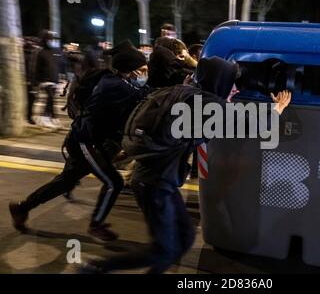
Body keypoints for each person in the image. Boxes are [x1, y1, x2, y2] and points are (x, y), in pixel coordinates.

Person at [80, 56, 292, 273]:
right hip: (154, 185)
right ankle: (96, 268)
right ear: (219, 82)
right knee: (163, 251)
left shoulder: (185, 93)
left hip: (159, 181)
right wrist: (278, 108)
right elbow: (252, 124)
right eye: (232, 85)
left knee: (186, 237)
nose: (235, 90)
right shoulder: (205, 105)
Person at [9, 40, 151, 241]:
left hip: (85, 139)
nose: (144, 73)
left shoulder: (116, 81)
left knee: (65, 182)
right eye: (142, 69)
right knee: (114, 182)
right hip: (86, 142)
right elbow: (145, 97)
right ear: (131, 69)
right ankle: (96, 224)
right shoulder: (115, 85)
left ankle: (22, 208)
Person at [34, 30, 64, 129]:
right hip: (45, 80)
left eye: (52, 39)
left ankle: (53, 118)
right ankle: (45, 117)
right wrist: (36, 81)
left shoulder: (55, 52)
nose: (51, 41)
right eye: (49, 39)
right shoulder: (41, 52)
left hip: (54, 79)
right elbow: (37, 68)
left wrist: (61, 77)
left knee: (52, 99)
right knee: (50, 98)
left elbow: (59, 65)